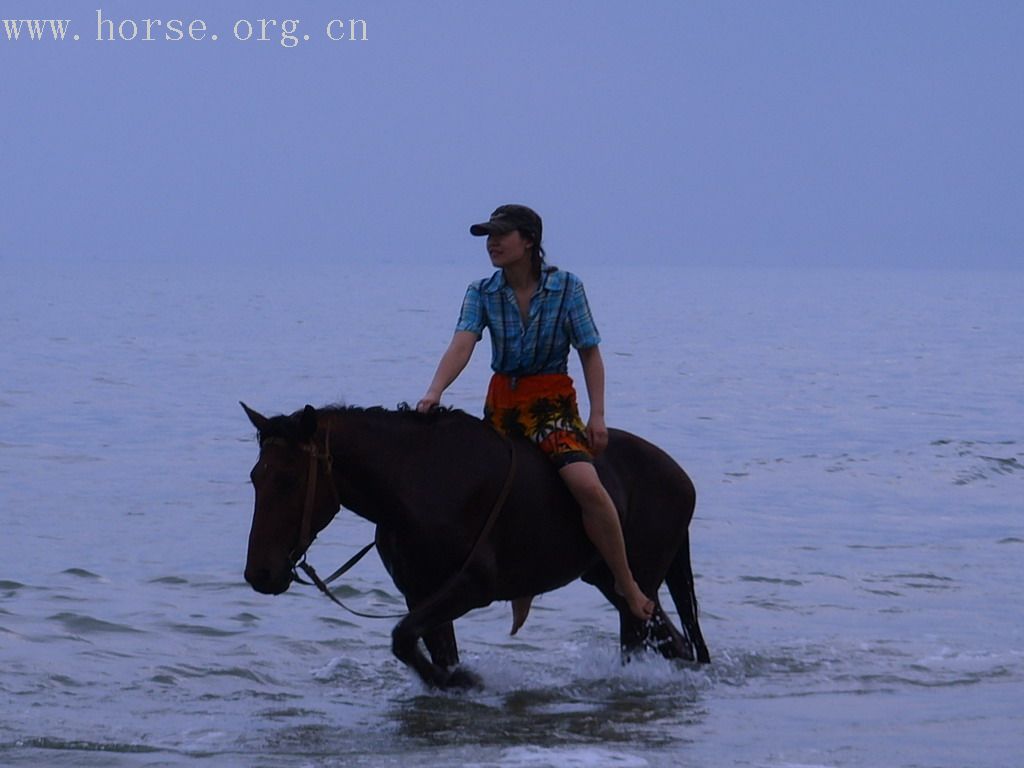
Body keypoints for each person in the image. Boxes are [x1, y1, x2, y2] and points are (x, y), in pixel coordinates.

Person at [416, 204, 655, 632]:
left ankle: (626, 583)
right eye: (487, 236)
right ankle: (518, 587)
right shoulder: (481, 291)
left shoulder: (566, 287)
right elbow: (462, 344)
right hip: (502, 405)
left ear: (528, 241)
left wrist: (598, 416)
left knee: (586, 485)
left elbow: (590, 352)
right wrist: (435, 391)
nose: (491, 243)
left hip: (552, 404)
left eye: (500, 235)